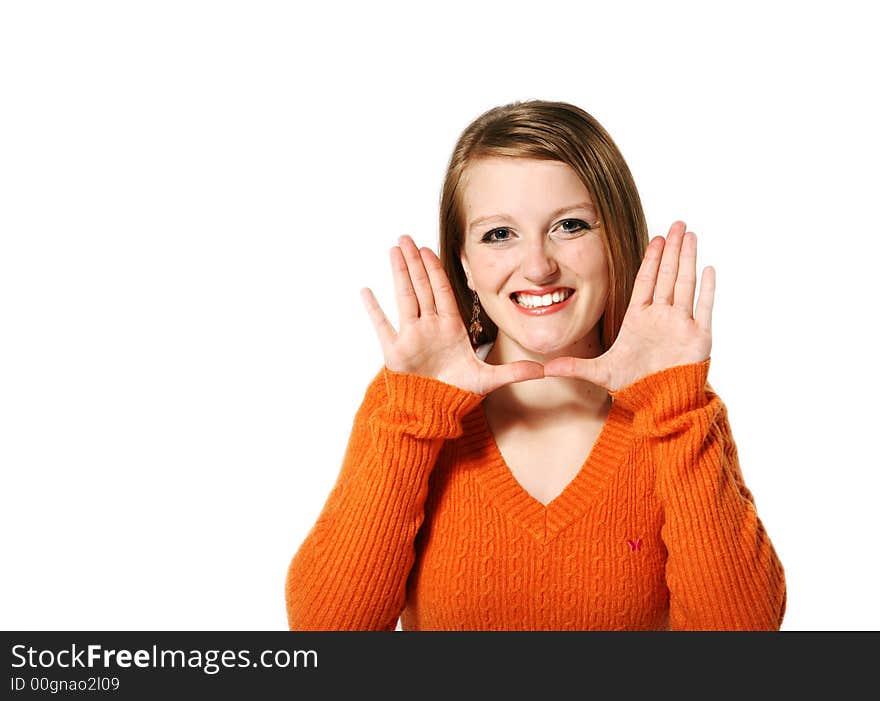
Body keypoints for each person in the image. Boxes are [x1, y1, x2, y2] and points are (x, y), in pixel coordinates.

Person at [284, 99, 787, 631]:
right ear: (466, 265)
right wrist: (416, 414)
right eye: (499, 234)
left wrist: (672, 404)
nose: (539, 266)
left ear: (615, 240)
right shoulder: (408, 406)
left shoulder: (675, 414)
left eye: (570, 226)